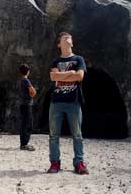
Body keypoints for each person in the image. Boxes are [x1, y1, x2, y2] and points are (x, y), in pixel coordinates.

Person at [47, 32, 89, 175]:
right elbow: (53, 77)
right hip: (56, 102)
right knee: (54, 135)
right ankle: (54, 162)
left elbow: (80, 76)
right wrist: (70, 73)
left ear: (72, 43)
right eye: (64, 38)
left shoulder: (79, 59)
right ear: (59, 44)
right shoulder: (55, 61)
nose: (67, 38)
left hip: (74, 102)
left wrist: (63, 75)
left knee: (77, 134)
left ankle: (79, 163)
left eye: (69, 37)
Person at [17, 63, 37, 151]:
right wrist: (33, 94)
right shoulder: (26, 81)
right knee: (29, 124)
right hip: (27, 104)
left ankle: (23, 143)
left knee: (23, 123)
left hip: (22, 104)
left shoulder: (19, 81)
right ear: (28, 71)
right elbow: (33, 92)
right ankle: (24, 144)